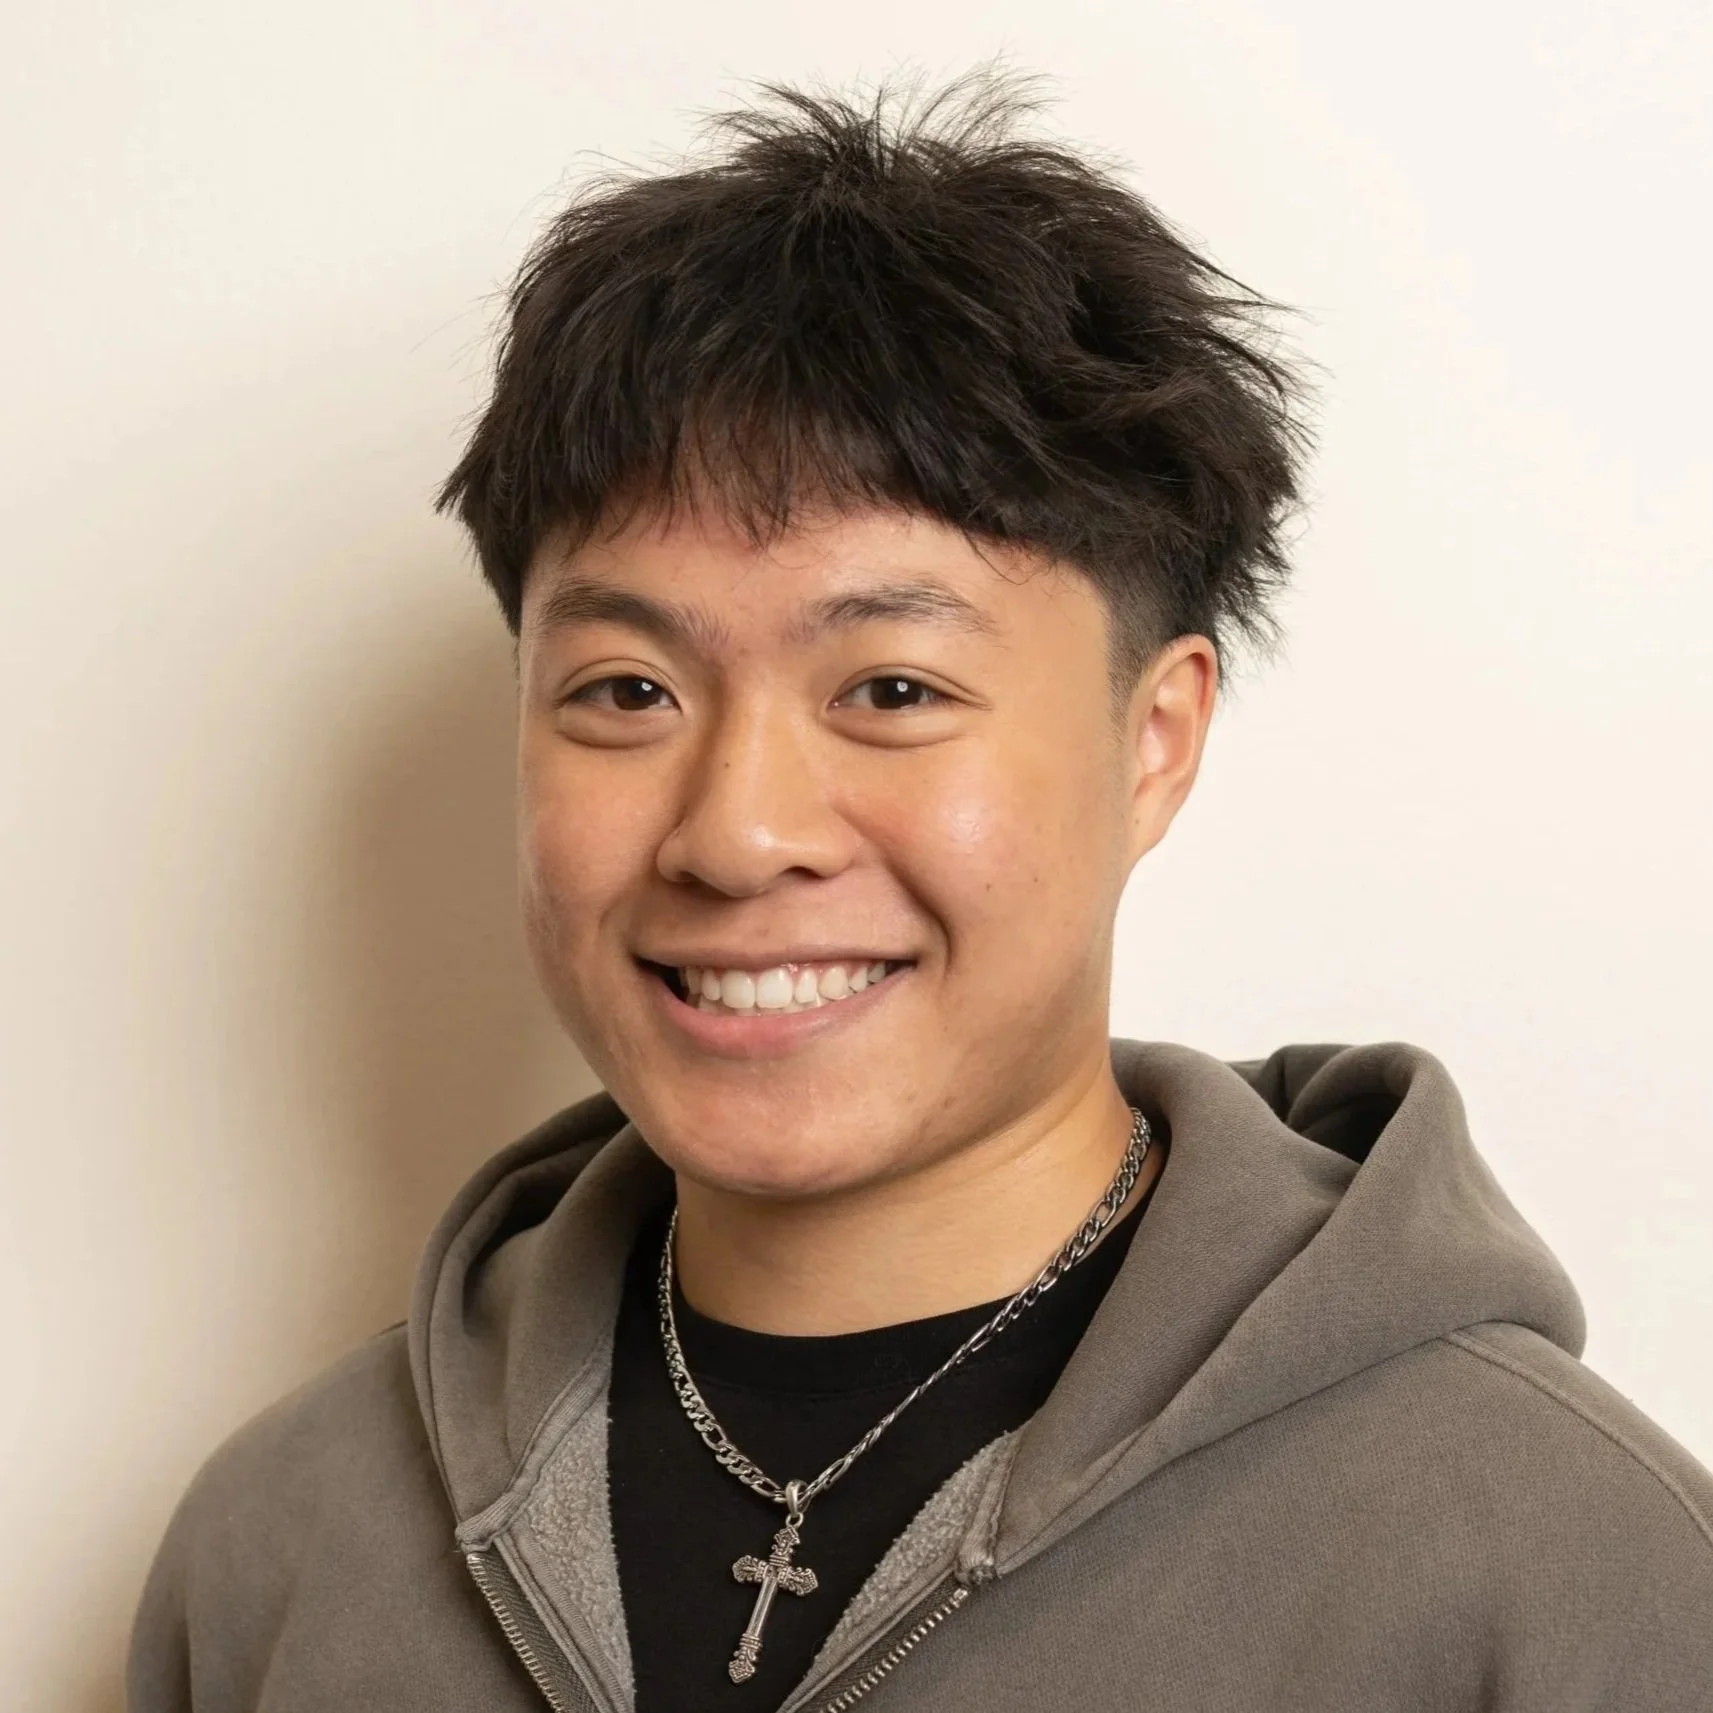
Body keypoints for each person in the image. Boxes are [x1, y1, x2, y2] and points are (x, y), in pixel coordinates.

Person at [128, 71, 1713, 1713]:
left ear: (1154, 739)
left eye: (889, 690)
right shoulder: (280, 1551)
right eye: (624, 691)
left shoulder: (1563, 1569)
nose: (737, 836)